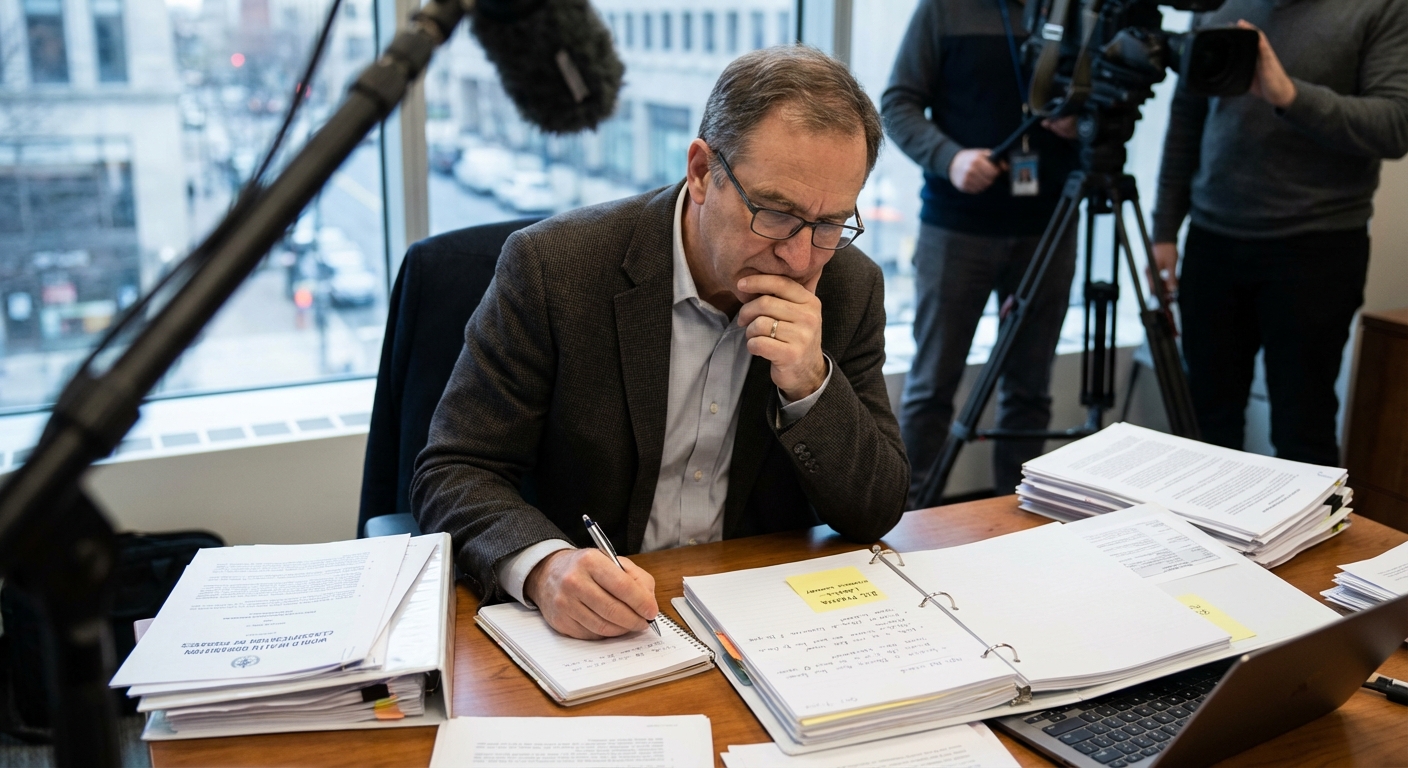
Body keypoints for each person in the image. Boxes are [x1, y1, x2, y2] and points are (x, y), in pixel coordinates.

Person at [412, 46, 909, 640]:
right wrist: (545, 566)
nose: (801, 257)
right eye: (776, 213)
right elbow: (455, 469)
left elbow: (875, 511)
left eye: (830, 225)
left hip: (758, 620)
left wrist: (810, 383)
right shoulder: (554, 268)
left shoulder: (850, 286)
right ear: (702, 173)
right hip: (594, 627)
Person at [1151, 4, 1408, 466]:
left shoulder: (1382, 8)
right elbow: (1187, 118)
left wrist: (1289, 95)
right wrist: (1164, 229)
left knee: (1301, 430)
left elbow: (1394, 125)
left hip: (1317, 248)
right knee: (1205, 427)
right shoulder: (1215, 4)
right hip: (1213, 240)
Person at [882, 0, 1080, 505]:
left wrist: (1082, 121)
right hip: (957, 226)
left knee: (1029, 392)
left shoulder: (1079, 10)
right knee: (931, 389)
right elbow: (898, 103)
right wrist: (949, 159)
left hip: (1048, 227)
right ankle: (905, 518)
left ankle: (1015, 517)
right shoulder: (943, 10)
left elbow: (1109, 102)